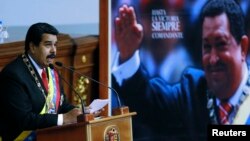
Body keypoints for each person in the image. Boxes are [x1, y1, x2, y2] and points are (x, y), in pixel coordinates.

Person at [112, 0, 250, 140]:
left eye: (221, 44)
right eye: (207, 47)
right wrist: (128, 56)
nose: (213, 59)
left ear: (243, 47)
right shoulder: (193, 92)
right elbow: (148, 102)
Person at [0, 23, 82, 141]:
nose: (53, 50)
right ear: (33, 47)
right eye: (48, 45)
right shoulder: (13, 75)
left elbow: (61, 106)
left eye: (55, 45)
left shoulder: (52, 71)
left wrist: (81, 112)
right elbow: (24, 120)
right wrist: (63, 119)